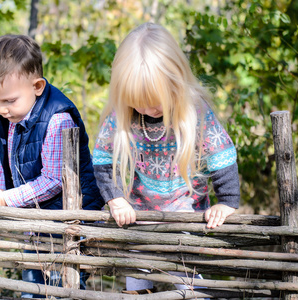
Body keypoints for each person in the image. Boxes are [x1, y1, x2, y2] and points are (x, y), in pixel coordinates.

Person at [92, 23, 240, 294]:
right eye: (138, 102)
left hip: (185, 212)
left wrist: (228, 201)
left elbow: (221, 154)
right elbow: (102, 161)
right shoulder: (121, 114)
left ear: (176, 82)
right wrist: (116, 198)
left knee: (185, 277)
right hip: (140, 213)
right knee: (138, 274)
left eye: (156, 102)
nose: (148, 109)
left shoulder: (194, 110)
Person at [0, 34, 104, 297]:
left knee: (61, 283)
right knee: (31, 284)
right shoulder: (9, 116)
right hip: (37, 218)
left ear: (37, 86)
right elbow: (1, 155)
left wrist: (4, 201)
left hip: (67, 219)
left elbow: (53, 181)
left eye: (9, 100)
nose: (1, 109)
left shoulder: (57, 119)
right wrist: (0, 189)